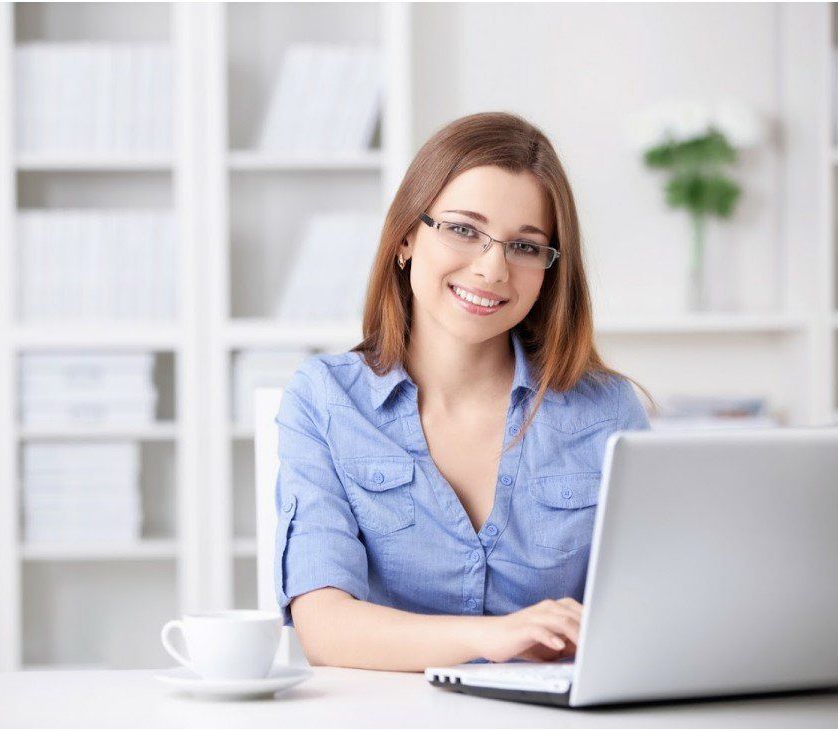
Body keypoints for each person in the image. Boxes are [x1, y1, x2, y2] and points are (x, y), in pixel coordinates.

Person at [273, 111, 658, 672]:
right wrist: (497, 635)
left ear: (551, 268)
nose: (491, 268)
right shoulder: (325, 398)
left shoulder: (605, 409)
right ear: (406, 237)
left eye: (526, 246)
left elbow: (645, 609)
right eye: (462, 229)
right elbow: (325, 627)